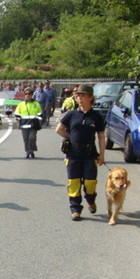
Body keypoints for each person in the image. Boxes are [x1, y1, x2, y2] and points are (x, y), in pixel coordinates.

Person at [55, 84, 105, 221]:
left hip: (89, 154)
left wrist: (102, 155)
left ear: (90, 98)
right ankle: (76, 209)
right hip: (73, 153)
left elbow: (101, 136)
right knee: (73, 182)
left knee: (90, 183)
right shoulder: (71, 114)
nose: (79, 98)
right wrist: (70, 138)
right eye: (78, 96)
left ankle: (90, 200)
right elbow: (59, 129)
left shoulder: (96, 116)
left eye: (82, 96)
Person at [14, 87, 43, 158]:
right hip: (24, 124)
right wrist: (18, 123)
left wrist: (38, 121)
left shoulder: (36, 103)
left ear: (32, 94)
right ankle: (28, 152)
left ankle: (31, 150)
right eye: (26, 94)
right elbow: (17, 114)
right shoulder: (21, 104)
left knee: (32, 138)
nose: (27, 95)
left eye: (29, 94)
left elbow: (40, 114)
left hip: (33, 125)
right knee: (26, 139)